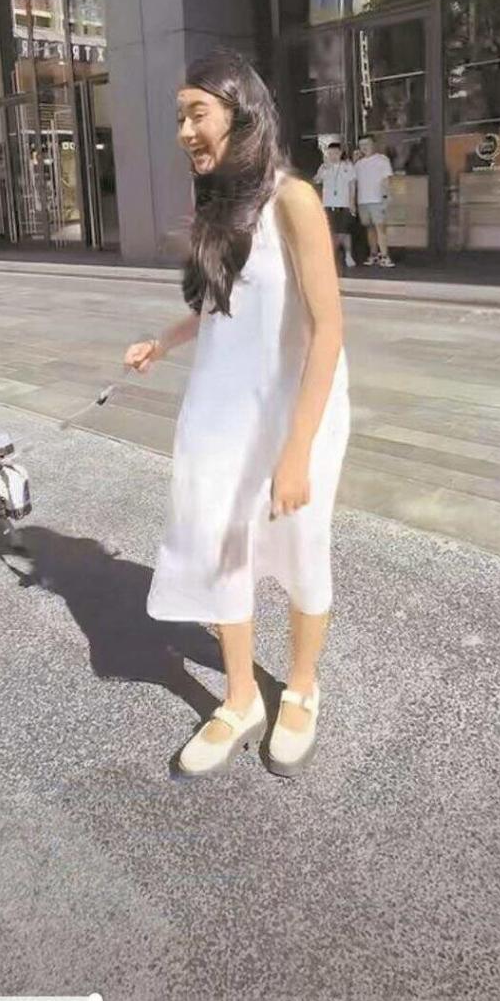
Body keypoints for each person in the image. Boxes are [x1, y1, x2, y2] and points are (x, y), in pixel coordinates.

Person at [124, 50, 350, 780]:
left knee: (301, 545)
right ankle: (242, 696)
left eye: (198, 113)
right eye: (179, 117)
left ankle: (303, 687)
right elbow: (223, 308)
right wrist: (163, 341)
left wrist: (297, 449)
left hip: (295, 411)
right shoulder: (220, 210)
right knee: (223, 545)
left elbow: (328, 328)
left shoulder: (294, 199)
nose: (185, 131)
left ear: (240, 113)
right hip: (220, 411)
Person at [313, 141, 357, 269]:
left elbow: (352, 185)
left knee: (345, 232)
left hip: (344, 204)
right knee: (331, 232)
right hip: (328, 204)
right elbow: (316, 180)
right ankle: (331, 256)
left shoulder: (347, 166)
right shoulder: (324, 167)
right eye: (330, 153)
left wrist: (352, 202)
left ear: (340, 153)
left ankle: (348, 255)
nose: (333, 156)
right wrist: (323, 170)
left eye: (335, 153)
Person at [354, 134, 394, 267]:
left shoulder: (382, 160)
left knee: (380, 228)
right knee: (369, 228)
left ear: (373, 145)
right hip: (362, 200)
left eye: (367, 144)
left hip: (377, 199)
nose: (364, 147)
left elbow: (386, 180)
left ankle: (385, 256)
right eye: (361, 145)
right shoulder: (358, 164)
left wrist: (385, 196)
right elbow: (353, 181)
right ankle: (373, 254)